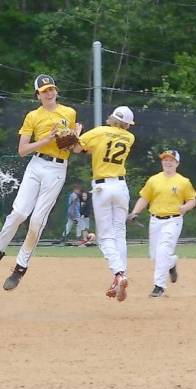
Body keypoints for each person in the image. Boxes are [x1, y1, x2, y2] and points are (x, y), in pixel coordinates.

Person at [0, 74, 80, 290]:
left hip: (57, 168)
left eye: (51, 89)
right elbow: (22, 150)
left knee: (37, 220)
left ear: (56, 91)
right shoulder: (33, 116)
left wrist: (74, 139)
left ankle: (20, 268)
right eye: (44, 91)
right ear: (38, 95)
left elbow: (74, 148)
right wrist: (45, 140)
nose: (49, 93)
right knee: (19, 213)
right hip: (36, 164)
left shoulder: (69, 113)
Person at [73, 106, 135, 302]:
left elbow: (76, 148)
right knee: (120, 233)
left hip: (102, 188)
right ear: (127, 124)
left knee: (105, 237)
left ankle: (119, 274)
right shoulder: (129, 138)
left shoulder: (100, 131)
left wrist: (75, 135)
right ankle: (120, 276)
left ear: (112, 118)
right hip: (121, 187)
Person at [127, 150, 196, 298]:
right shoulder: (154, 180)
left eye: (171, 160)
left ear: (177, 163)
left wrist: (186, 207)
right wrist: (134, 213)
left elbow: (192, 199)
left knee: (163, 250)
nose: (167, 162)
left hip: (173, 220)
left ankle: (159, 287)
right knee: (155, 255)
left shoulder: (183, 181)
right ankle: (171, 263)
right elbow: (144, 198)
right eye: (165, 159)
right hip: (155, 220)